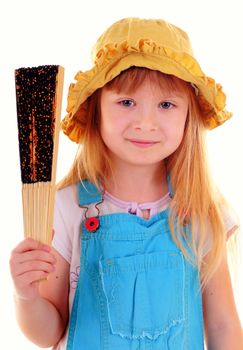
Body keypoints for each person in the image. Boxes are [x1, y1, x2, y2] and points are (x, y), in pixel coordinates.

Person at [10, 17, 243, 349]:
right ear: (96, 111)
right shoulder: (65, 208)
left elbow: (223, 327)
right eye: (127, 102)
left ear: (188, 115)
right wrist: (26, 296)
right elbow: (48, 333)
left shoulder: (201, 209)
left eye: (166, 104)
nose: (145, 123)